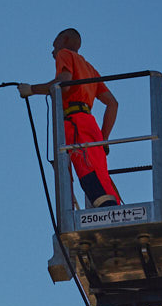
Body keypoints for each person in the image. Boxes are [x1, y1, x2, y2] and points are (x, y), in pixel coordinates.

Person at [19, 28, 123, 208]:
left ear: (65, 40)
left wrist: (31, 90)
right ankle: (113, 207)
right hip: (91, 126)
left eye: (54, 46)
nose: (53, 52)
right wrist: (104, 139)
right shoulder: (90, 69)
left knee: (86, 169)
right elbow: (113, 104)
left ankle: (105, 208)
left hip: (75, 123)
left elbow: (64, 84)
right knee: (100, 171)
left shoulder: (64, 54)